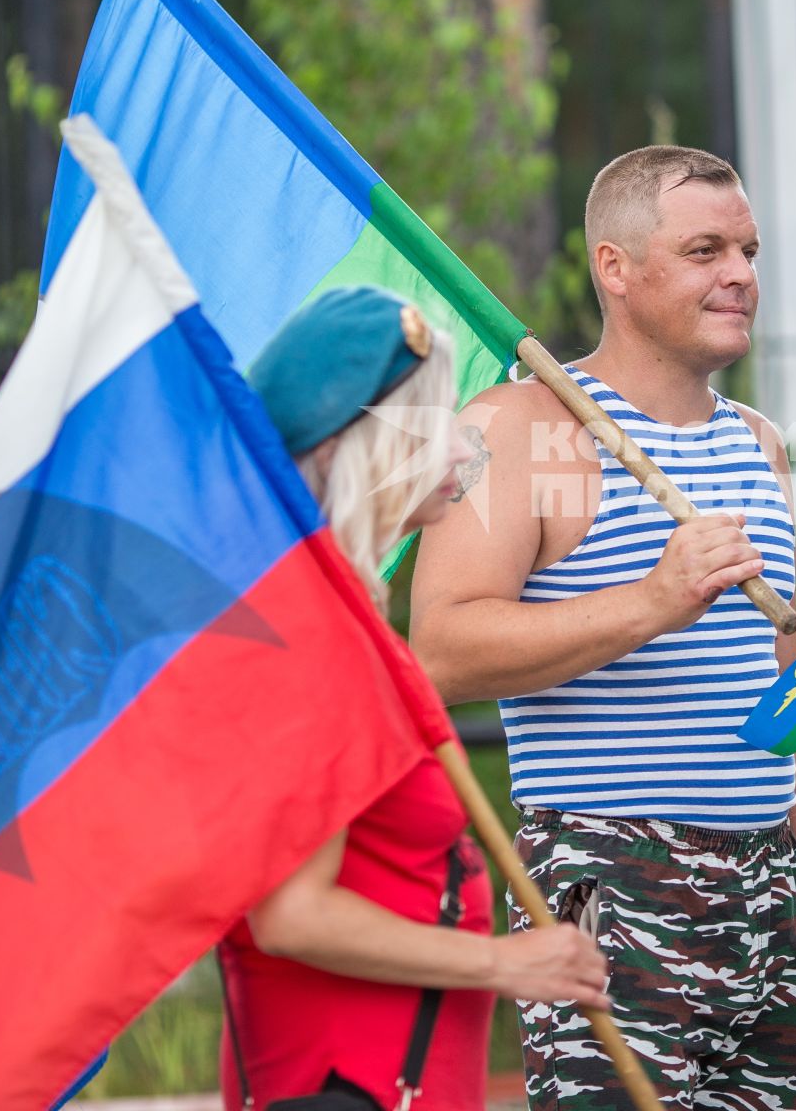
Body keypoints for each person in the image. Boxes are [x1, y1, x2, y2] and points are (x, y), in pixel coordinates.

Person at [409, 146, 796, 1109]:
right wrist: (652, 600)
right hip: (612, 871)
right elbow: (438, 650)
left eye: (749, 249)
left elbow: (794, 686)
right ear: (615, 267)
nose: (741, 274)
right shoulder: (516, 424)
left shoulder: (758, 441)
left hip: (772, 890)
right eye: (704, 250)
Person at [219, 286, 611, 1110]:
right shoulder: (311, 630)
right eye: (430, 423)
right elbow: (288, 915)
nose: (465, 446)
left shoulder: (339, 618)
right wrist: (505, 963)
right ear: (358, 448)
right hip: (337, 1084)